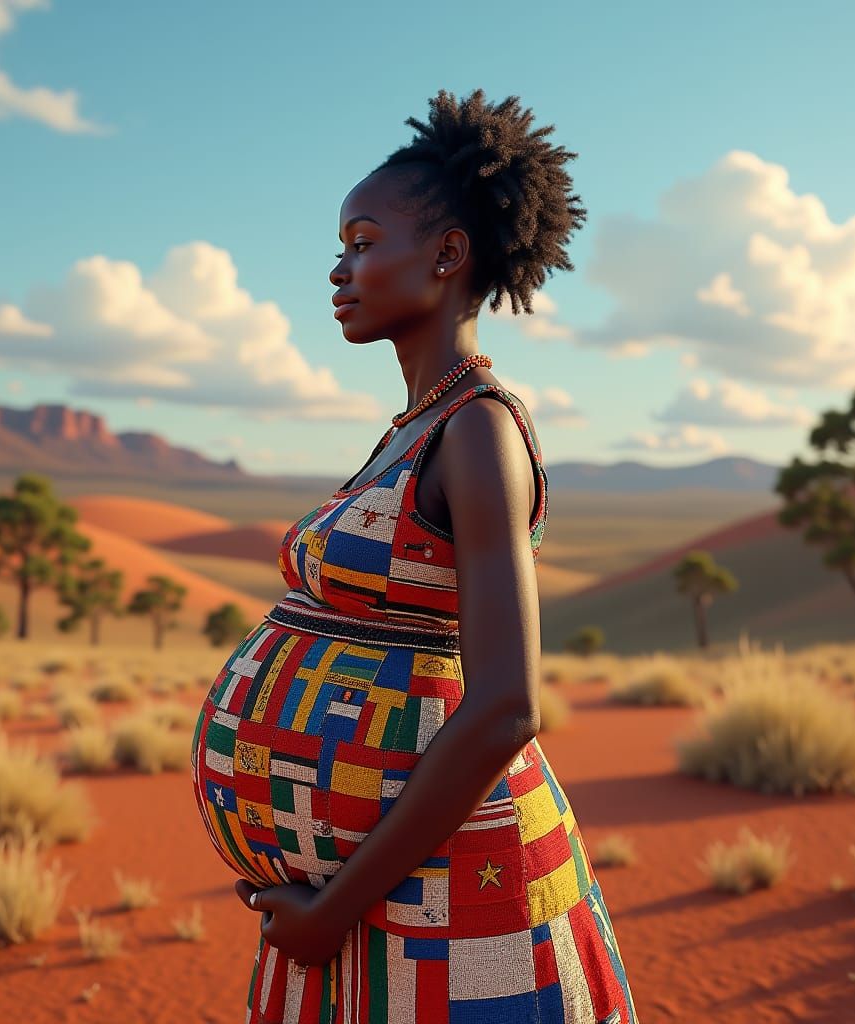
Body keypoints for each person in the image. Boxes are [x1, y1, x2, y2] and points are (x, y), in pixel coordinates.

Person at [191, 87, 640, 1024]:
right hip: (368, 897)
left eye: (362, 242)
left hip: (448, 892)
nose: (338, 270)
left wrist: (333, 910)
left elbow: (508, 705)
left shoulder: (478, 432)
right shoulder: (414, 429)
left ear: (446, 254)